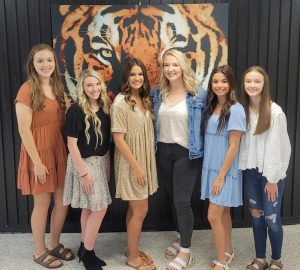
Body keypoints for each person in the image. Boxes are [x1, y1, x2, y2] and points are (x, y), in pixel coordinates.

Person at [15, 43, 74, 269]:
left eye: (49, 60)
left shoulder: (57, 87)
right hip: (38, 153)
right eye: (40, 60)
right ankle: (39, 252)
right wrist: (37, 163)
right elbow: (23, 130)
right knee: (43, 203)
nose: (45, 64)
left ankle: (54, 244)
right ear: (33, 64)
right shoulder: (27, 89)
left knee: (62, 201)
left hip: (59, 150)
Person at [151, 48, 206, 270]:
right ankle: (179, 236)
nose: (171, 69)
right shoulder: (157, 93)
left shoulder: (197, 93)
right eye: (166, 65)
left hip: (187, 153)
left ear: (183, 66)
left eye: (175, 64)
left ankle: (185, 252)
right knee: (174, 197)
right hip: (163, 151)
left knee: (182, 201)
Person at [239, 66, 291, 270]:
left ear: (264, 84)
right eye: (248, 81)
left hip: (271, 176)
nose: (252, 85)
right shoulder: (241, 110)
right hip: (250, 173)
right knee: (257, 218)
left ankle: (276, 259)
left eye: (257, 81)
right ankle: (260, 258)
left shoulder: (275, 112)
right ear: (243, 84)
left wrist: (272, 179)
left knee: (271, 218)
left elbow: (281, 148)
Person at [111, 56, 158, 270]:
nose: (137, 78)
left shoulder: (144, 99)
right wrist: (138, 168)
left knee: (134, 209)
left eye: (140, 74)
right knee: (141, 210)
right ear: (126, 77)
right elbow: (118, 139)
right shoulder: (121, 102)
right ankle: (132, 259)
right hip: (132, 163)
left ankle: (132, 249)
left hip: (143, 160)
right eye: (132, 74)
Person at [63, 69, 112, 270]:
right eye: (89, 85)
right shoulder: (76, 110)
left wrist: (106, 166)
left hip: (100, 163)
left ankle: (84, 248)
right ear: (82, 88)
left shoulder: (104, 108)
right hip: (84, 163)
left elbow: (106, 142)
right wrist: (84, 174)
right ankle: (89, 254)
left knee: (89, 207)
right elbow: (71, 145)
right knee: (100, 208)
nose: (94, 88)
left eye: (97, 84)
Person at [201, 65, 246, 270]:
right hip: (211, 166)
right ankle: (228, 251)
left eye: (224, 81)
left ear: (231, 84)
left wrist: (220, 176)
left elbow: (234, 145)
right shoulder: (211, 106)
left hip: (224, 169)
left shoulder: (236, 109)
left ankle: (221, 261)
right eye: (216, 81)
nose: (220, 85)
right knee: (224, 212)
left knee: (213, 215)